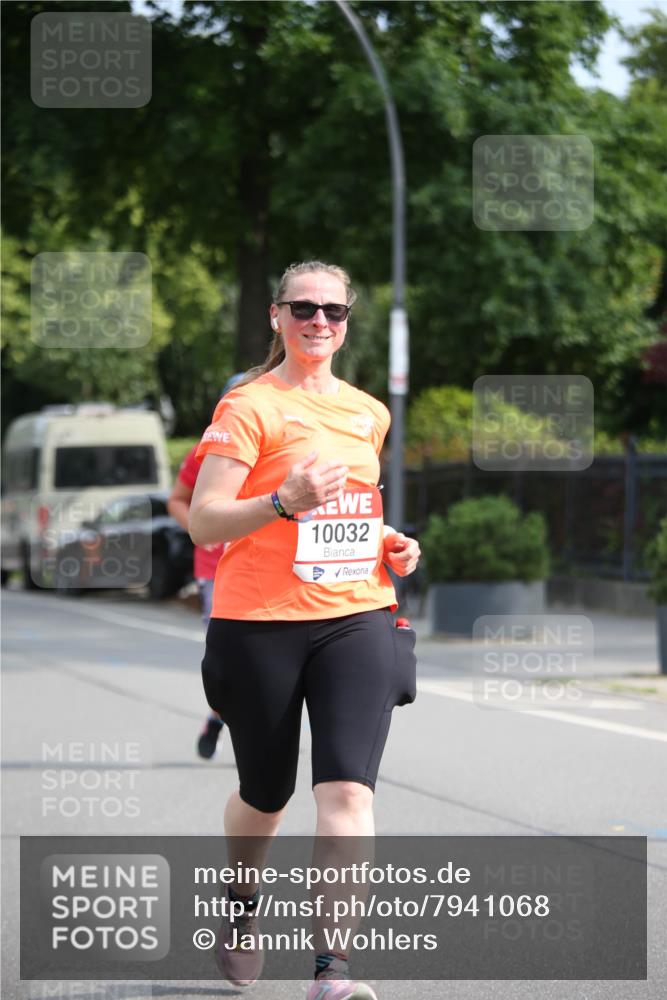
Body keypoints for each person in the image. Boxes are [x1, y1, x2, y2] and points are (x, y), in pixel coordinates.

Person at [189, 261, 420, 1000]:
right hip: (258, 623)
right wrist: (281, 502)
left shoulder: (366, 412)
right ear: (276, 315)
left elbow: (352, 510)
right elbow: (204, 518)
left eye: (333, 310)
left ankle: (333, 973)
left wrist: (390, 540)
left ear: (348, 319)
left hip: (356, 614)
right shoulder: (249, 408)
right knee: (265, 793)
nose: (319, 321)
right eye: (303, 308)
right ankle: (241, 908)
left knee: (349, 792)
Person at [167, 375, 244, 759]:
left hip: (269, 569)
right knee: (230, 660)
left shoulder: (285, 442)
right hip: (216, 570)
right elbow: (177, 500)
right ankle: (218, 717)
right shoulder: (207, 449)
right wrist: (202, 528)